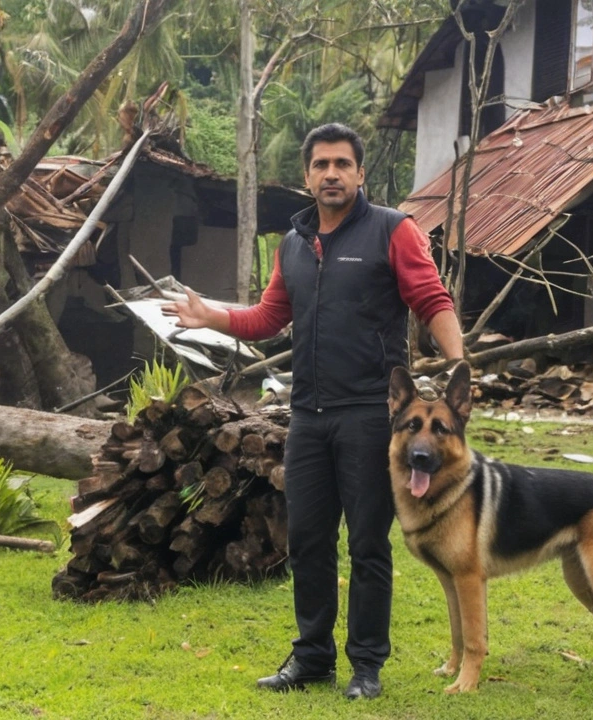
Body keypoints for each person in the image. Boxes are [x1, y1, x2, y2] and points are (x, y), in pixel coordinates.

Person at [162, 123, 464, 700]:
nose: (331, 173)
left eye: (342, 164)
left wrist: (458, 369)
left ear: (360, 173)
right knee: (306, 540)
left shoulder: (392, 231)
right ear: (307, 175)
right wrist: (212, 316)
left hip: (372, 415)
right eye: (321, 164)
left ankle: (367, 665)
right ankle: (312, 658)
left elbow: (432, 299)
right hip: (308, 416)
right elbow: (270, 317)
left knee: (369, 542)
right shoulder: (294, 244)